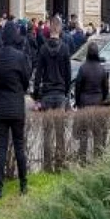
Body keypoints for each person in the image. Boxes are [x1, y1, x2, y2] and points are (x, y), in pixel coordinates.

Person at [0, 22, 31, 198]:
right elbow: (26, 80)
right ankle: (23, 185)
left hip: (2, 107)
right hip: (17, 107)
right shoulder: (20, 57)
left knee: (1, 148)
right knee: (19, 147)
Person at [33, 17, 71, 172]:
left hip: (47, 93)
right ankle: (60, 163)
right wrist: (66, 91)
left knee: (47, 131)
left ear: (49, 29)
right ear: (60, 29)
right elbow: (68, 74)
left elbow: (38, 73)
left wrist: (36, 95)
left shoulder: (43, 49)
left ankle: (47, 166)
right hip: (60, 93)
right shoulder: (65, 49)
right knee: (60, 130)